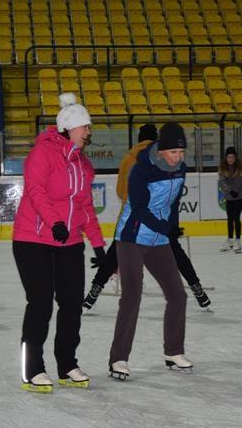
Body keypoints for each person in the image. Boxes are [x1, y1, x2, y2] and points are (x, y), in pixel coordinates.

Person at [12, 93, 105, 393]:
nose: (88, 132)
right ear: (69, 127)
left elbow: (86, 206)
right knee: (40, 304)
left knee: (71, 305)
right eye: (85, 127)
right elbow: (36, 192)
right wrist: (55, 223)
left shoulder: (83, 165)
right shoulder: (42, 153)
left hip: (69, 242)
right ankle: (32, 369)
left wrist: (99, 244)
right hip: (34, 239)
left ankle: (67, 364)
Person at [83, 124, 212, 312]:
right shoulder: (164, 156)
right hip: (160, 216)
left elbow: (121, 190)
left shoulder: (129, 158)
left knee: (115, 254)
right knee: (175, 251)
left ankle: (92, 295)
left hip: (134, 217)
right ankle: (198, 291)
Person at [108, 122, 190, 381]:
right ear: (161, 150)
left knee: (178, 295)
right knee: (132, 296)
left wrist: (172, 228)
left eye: (182, 152)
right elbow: (141, 210)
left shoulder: (180, 170)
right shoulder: (141, 170)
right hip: (132, 237)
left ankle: (173, 351)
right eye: (174, 153)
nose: (179, 157)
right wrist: (165, 228)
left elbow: (174, 202)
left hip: (159, 239)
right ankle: (118, 358)